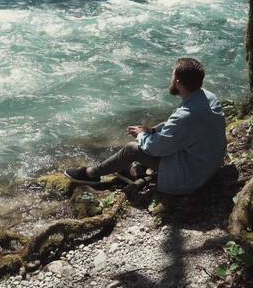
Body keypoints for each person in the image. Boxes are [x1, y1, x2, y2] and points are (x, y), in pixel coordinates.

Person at [65, 58, 226, 195]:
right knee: (153, 131)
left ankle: (91, 174)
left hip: (191, 177)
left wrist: (141, 135)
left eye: (172, 76)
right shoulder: (209, 97)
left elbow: (156, 148)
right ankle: (131, 169)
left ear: (177, 82)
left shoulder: (184, 117)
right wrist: (153, 130)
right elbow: (179, 129)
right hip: (209, 163)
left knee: (132, 149)